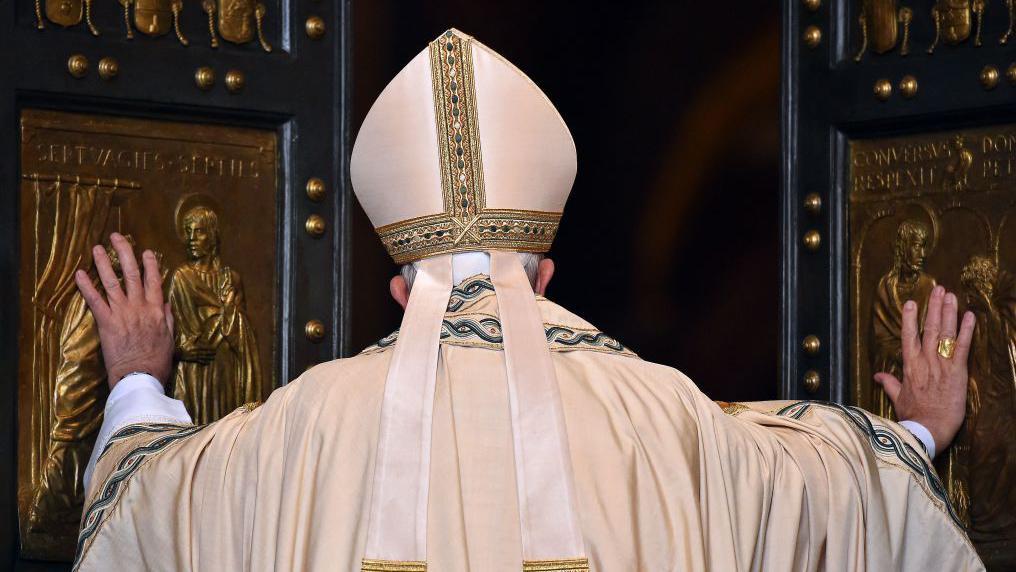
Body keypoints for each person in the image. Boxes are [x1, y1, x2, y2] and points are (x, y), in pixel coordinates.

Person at [72, 29, 982, 571]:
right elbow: (823, 494)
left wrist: (139, 384)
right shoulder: (660, 413)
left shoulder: (296, 429)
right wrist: (919, 432)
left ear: (398, 290)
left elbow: (151, 504)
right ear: (546, 275)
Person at [167, 205, 262, 424]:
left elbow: (244, 332)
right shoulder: (181, 278)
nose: (191, 238)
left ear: (212, 235)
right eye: (187, 231)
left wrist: (229, 308)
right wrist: (181, 351)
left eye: (198, 231)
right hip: (193, 373)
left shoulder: (232, 279)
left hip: (225, 370)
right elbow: (172, 330)